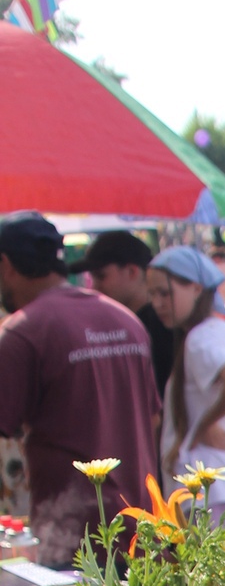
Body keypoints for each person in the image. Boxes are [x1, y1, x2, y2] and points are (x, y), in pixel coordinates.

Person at [0, 213, 160, 565]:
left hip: (75, 540)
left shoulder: (22, 332)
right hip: (145, 531)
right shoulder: (124, 319)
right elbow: (152, 417)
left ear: (6, 264)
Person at [151, 246, 225, 536]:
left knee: (214, 580)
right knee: (217, 579)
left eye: (165, 293)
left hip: (210, 488)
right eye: (153, 295)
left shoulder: (201, 339)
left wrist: (203, 425)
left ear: (197, 288)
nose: (157, 303)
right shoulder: (219, 331)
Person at [82, 229, 175, 396]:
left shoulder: (157, 324)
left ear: (132, 271)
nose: (94, 287)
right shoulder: (136, 322)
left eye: (101, 276)